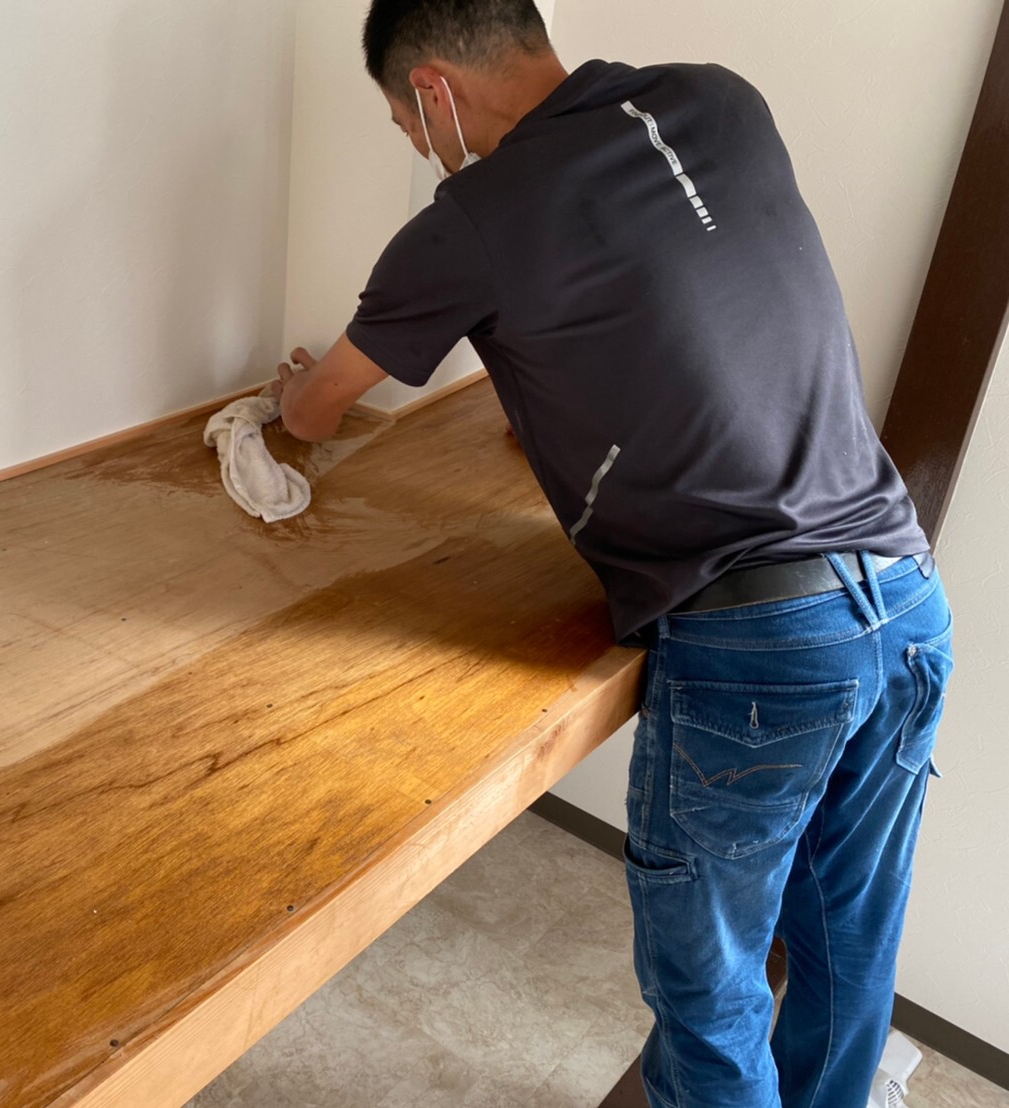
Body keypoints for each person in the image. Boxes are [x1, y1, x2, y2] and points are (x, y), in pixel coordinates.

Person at [270, 2, 954, 1106]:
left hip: (757, 644)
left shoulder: (473, 217)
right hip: (904, 597)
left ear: (434, 89)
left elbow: (314, 415)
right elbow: (674, 306)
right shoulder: (717, 99)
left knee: (711, 994)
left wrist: (287, 392)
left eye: (403, 122)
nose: (415, 146)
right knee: (845, 940)